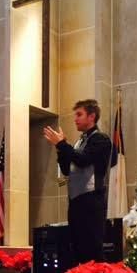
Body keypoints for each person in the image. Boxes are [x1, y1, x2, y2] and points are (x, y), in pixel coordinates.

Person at [43, 99, 112, 264]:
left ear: (92, 116)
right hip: (76, 202)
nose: (75, 119)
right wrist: (60, 148)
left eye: (79, 114)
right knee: (78, 250)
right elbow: (66, 169)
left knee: (93, 251)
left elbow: (83, 160)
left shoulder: (100, 139)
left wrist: (62, 144)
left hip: (92, 202)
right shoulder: (79, 142)